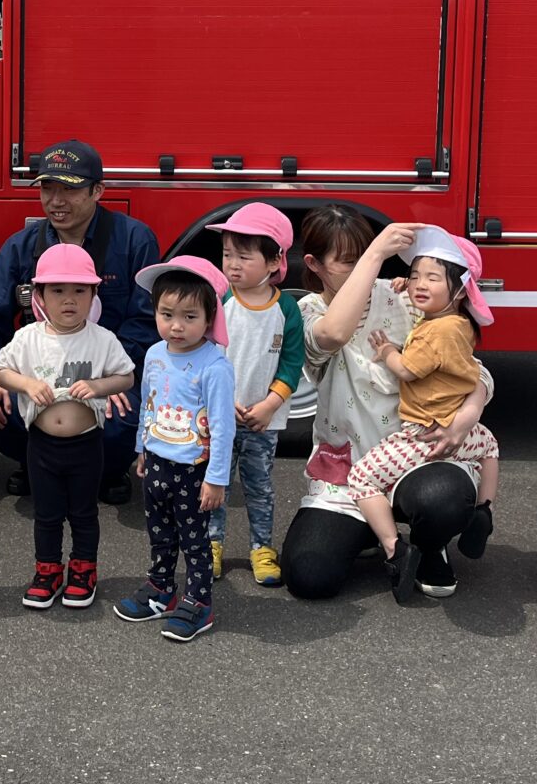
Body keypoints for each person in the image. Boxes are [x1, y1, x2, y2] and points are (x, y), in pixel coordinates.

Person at [278, 208, 494, 602]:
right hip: (350, 473)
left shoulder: (405, 297)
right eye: (349, 260)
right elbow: (333, 334)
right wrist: (377, 253)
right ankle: (370, 532)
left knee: (443, 498)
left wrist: (470, 411)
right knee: (309, 576)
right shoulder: (307, 311)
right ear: (313, 264)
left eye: (364, 256)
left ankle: (430, 544)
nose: (363, 267)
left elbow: (470, 368)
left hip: (419, 456)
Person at [0, 140, 159, 505]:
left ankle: (106, 471)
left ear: (97, 191)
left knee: (123, 417)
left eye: (69, 189)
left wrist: (108, 378)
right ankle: (37, 463)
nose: (56, 201)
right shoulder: (20, 247)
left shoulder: (135, 240)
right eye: (47, 188)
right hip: (37, 375)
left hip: (102, 375)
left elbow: (144, 322)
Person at [354, 228, 501, 602]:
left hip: (424, 433)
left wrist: (387, 351)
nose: (420, 284)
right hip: (464, 430)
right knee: (490, 448)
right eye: (416, 275)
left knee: (361, 479)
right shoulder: (459, 323)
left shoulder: (434, 332)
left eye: (433, 278)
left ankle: (394, 550)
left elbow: (406, 370)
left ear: (460, 289)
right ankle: (484, 510)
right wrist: (409, 285)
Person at [0, 243, 135, 611]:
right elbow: (1, 371)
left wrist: (99, 386)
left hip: (86, 443)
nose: (69, 300)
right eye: (57, 291)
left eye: (79, 291)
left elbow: (126, 377)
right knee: (47, 513)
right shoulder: (28, 337)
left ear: (93, 295)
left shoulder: (102, 339)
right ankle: (48, 571)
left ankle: (84, 570)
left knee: (84, 512)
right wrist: (26, 384)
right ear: (39, 296)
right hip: (42, 444)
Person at [112, 256, 236, 643]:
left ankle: (199, 602)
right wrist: (141, 448)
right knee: (160, 532)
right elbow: (148, 404)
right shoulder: (154, 354)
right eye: (167, 314)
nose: (176, 326)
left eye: (189, 316)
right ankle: (161, 589)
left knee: (195, 540)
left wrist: (216, 479)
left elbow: (223, 427)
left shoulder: (214, 366)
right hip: (158, 462)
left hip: (194, 470)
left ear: (210, 317)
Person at [205, 203, 303, 587]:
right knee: (216, 484)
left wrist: (270, 405)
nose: (232, 264)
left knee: (260, 488)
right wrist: (219, 401)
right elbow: (204, 353)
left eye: (244, 257)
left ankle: (262, 547)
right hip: (218, 417)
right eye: (227, 254)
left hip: (263, 421)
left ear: (274, 261)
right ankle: (211, 544)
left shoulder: (287, 309)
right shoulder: (218, 300)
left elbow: (291, 364)